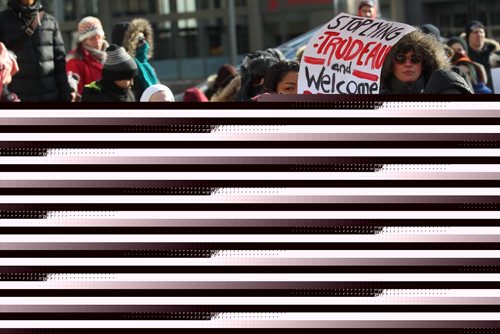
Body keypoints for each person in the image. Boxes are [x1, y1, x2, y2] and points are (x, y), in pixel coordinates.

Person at [0, 0, 71, 101]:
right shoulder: (2, 21)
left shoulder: (50, 21)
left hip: (50, 97)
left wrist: (65, 94)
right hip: (16, 98)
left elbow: (60, 63)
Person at [380, 30, 473, 94]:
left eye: (415, 58)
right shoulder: (375, 96)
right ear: (390, 64)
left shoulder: (446, 89)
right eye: (400, 58)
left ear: (424, 62)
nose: (408, 64)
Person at [111, 19, 159, 100]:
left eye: (144, 37)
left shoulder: (144, 64)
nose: (144, 42)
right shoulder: (122, 68)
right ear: (127, 41)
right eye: (139, 38)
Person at [66, 16, 108, 96]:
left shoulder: (111, 55)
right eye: (92, 38)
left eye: (99, 37)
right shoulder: (74, 61)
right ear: (83, 40)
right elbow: (77, 94)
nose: (97, 41)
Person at [464, 21, 500, 90]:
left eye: (481, 32)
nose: (479, 35)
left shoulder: (495, 55)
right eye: (475, 32)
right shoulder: (463, 56)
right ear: (468, 36)